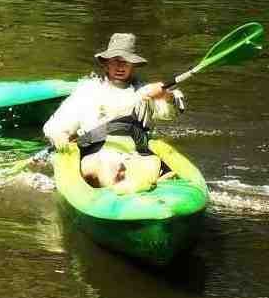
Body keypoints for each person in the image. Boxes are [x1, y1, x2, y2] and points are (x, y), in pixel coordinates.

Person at [42, 32, 182, 189]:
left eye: (126, 62)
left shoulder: (147, 91)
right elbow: (56, 125)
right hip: (96, 153)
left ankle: (146, 183)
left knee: (151, 165)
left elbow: (170, 113)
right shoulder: (88, 90)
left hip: (135, 153)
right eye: (115, 61)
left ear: (133, 65)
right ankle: (121, 189)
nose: (120, 67)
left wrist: (165, 95)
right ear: (106, 63)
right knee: (109, 166)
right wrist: (60, 136)